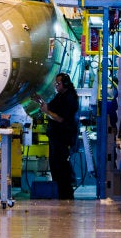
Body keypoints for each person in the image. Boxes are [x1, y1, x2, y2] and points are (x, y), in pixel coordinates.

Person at [40, 72, 79, 200]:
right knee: (56, 166)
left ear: (65, 84)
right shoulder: (61, 96)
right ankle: (61, 192)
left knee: (61, 167)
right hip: (56, 137)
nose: (56, 86)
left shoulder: (69, 98)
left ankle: (65, 194)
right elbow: (50, 106)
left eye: (58, 83)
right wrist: (40, 100)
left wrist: (47, 112)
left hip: (63, 138)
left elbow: (60, 118)